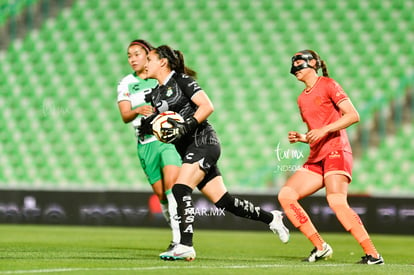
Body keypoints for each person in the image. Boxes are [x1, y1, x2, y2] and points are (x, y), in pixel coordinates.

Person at [140, 45, 290, 261]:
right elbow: (163, 122)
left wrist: (186, 125)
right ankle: (271, 218)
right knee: (224, 201)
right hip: (187, 149)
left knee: (181, 189)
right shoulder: (156, 93)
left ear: (163, 62)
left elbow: (207, 106)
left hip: (203, 142)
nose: (146, 63)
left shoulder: (182, 81)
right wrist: (148, 124)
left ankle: (185, 245)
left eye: (150, 59)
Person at [277, 49, 384, 265]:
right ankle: (320, 246)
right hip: (317, 155)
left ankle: (373, 254)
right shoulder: (301, 99)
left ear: (313, 64)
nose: (296, 69)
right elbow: (317, 131)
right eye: (294, 65)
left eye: (300, 63)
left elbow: (353, 115)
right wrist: (303, 137)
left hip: (336, 150)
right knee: (286, 195)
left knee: (336, 201)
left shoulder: (328, 84)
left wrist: (324, 131)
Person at [116, 39, 182, 250]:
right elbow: (125, 116)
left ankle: (179, 240)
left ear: (148, 55)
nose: (132, 59)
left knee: (172, 189)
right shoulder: (126, 83)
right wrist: (138, 110)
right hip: (145, 143)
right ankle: (178, 233)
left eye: (136, 54)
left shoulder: (162, 78)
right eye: (129, 55)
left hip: (166, 140)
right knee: (162, 195)